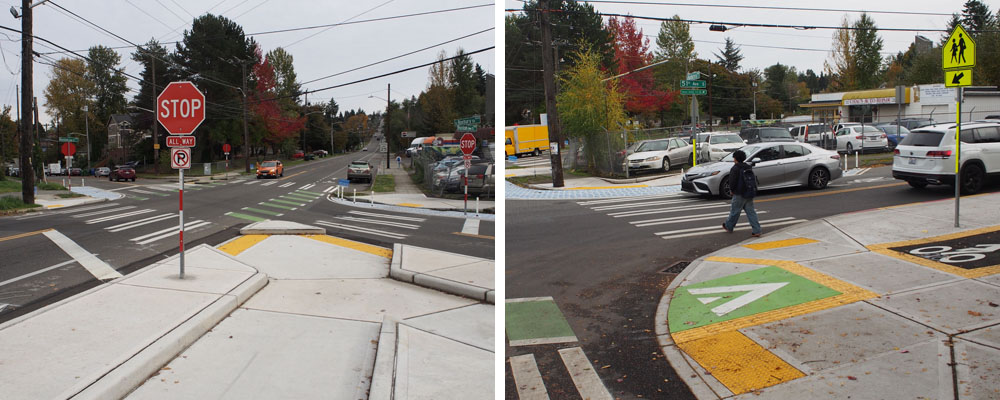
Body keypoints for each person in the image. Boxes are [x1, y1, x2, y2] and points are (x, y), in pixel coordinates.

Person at [721, 150, 762, 237]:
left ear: (735, 158)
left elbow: (732, 182)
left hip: (739, 193)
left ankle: (728, 226)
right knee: (751, 212)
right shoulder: (748, 167)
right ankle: (757, 230)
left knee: (735, 211)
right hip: (749, 192)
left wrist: (732, 190)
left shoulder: (735, 168)